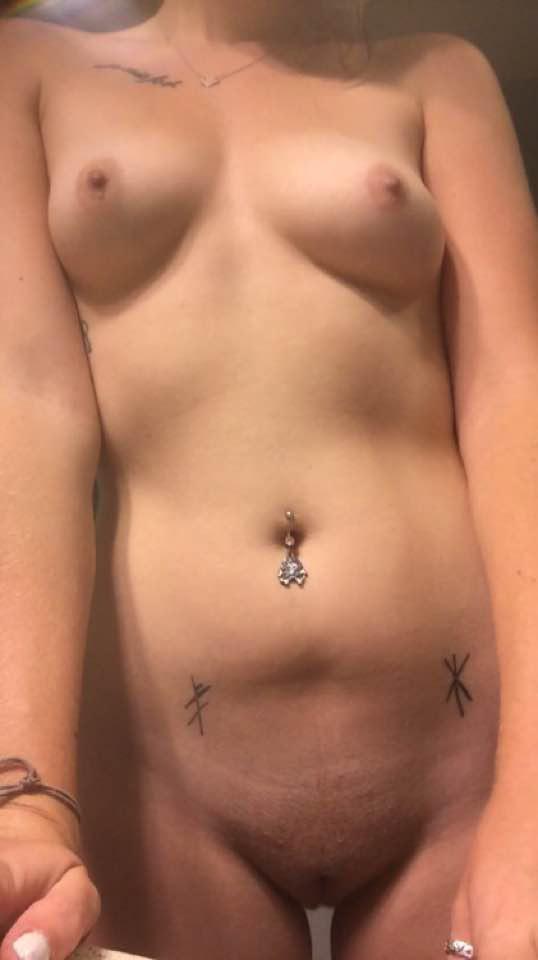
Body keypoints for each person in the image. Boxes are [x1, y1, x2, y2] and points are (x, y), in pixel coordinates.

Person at [1, 1, 537, 959]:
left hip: (459, 766)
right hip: (162, 784)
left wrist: (534, 796)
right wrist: (24, 798)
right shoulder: (29, 65)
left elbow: (516, 398)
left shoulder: (438, 75)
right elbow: (24, 410)